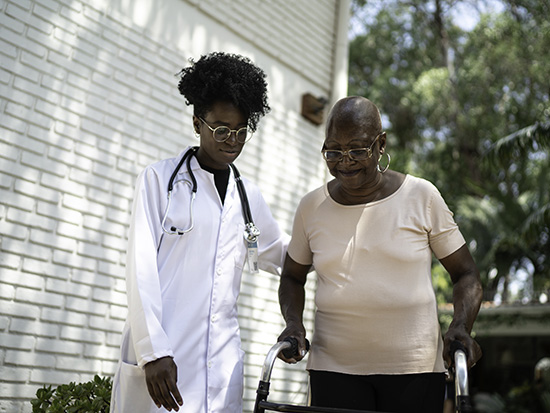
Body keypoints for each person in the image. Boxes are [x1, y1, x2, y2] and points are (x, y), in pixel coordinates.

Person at [277, 96, 483, 412]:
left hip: (413, 370)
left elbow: (465, 274)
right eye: (333, 152)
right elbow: (292, 276)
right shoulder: (311, 207)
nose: (344, 162)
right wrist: (294, 323)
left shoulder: (421, 196)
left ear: (380, 143)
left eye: (357, 150)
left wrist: (460, 325)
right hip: (334, 368)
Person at [110, 52, 289, 413]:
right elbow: (140, 270)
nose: (231, 140)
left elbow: (286, 255)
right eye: (221, 129)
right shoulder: (159, 181)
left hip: (221, 368)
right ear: (197, 123)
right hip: (163, 362)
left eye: (241, 131)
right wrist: (153, 351)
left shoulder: (248, 196)